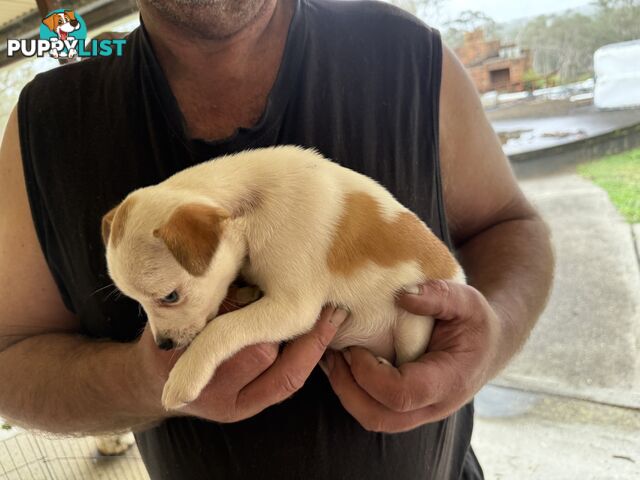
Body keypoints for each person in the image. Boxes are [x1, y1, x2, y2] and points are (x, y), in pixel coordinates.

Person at [0, 0, 553, 478]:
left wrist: (491, 335)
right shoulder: (48, 120)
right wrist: (142, 381)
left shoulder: (408, 53)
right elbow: (8, 359)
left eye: (164, 297)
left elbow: (510, 224)